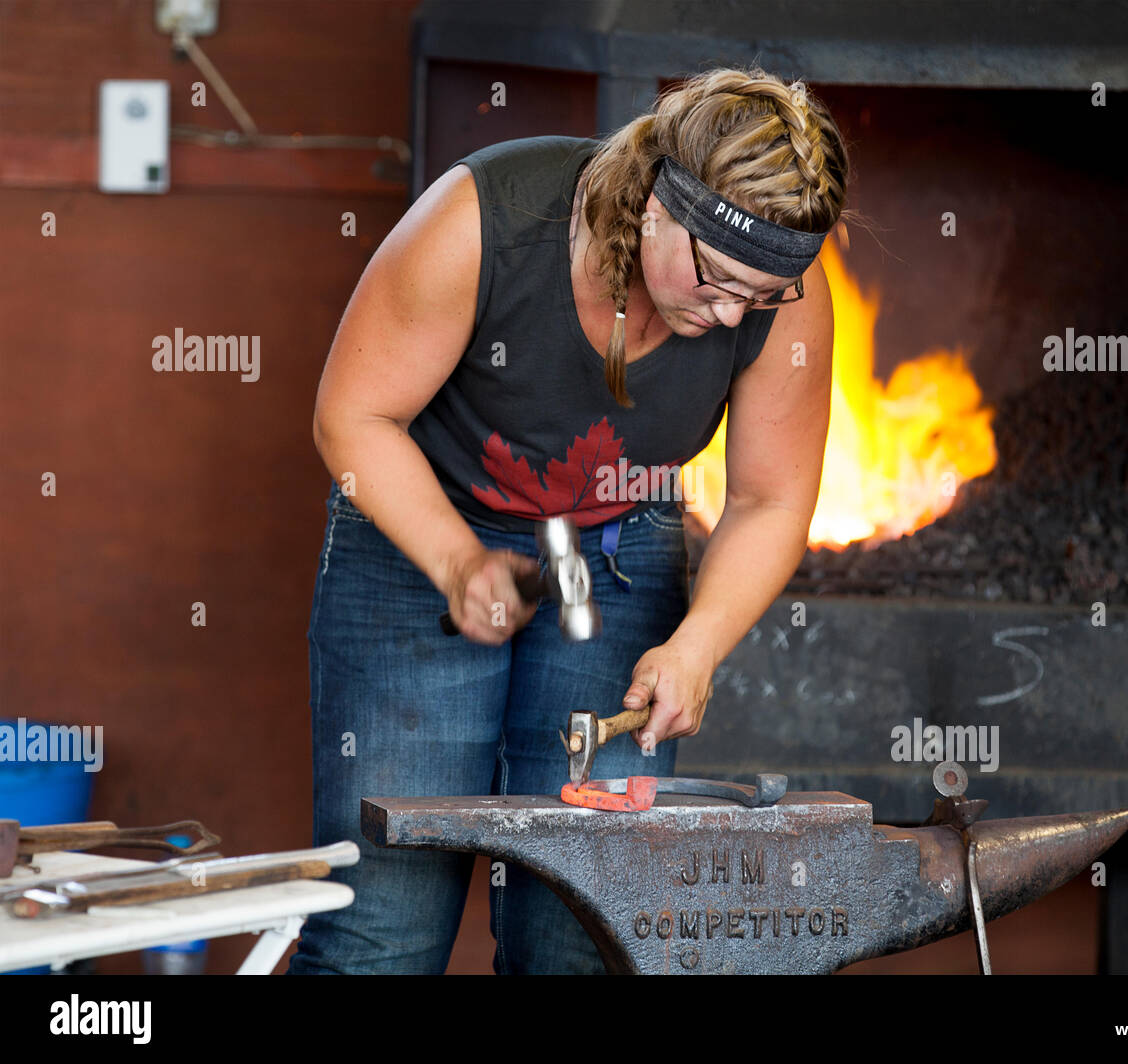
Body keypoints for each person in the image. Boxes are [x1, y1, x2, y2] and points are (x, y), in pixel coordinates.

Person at [287, 66, 854, 974]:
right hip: (423, 532)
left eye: (761, 297)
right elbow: (352, 418)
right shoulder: (485, 223)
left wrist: (698, 645)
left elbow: (769, 499)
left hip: (616, 550)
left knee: (581, 930)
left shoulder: (778, 299)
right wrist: (456, 563)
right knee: (383, 930)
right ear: (659, 203)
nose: (732, 315)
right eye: (717, 282)